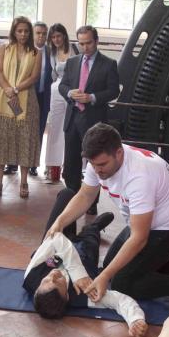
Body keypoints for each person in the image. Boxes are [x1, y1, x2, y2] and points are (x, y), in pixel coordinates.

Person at [46, 123, 169, 304]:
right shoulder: (101, 159)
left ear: (119, 153)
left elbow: (139, 238)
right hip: (145, 224)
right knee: (112, 264)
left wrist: (105, 276)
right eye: (93, 165)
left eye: (102, 164)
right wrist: (60, 222)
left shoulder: (139, 176)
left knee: (122, 283)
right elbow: (86, 195)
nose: (97, 170)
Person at [25, 188, 148, 337]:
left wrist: (78, 274)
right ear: (67, 296)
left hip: (55, 246)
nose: (53, 275)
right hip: (85, 254)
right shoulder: (84, 296)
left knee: (66, 194)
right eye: (58, 281)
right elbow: (119, 301)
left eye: (46, 280)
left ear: (38, 288)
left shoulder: (31, 276)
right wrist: (135, 320)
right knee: (90, 236)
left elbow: (56, 238)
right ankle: (95, 226)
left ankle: (81, 227)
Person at [58, 25, 120, 215]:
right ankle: (74, 201)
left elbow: (113, 91)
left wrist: (92, 97)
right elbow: (62, 86)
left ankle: (91, 204)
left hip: (94, 122)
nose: (85, 47)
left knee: (95, 165)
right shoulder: (72, 62)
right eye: (81, 43)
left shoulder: (109, 64)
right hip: (73, 119)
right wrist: (70, 92)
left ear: (96, 41)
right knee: (70, 166)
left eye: (89, 43)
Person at [0, 16, 41, 199]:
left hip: (26, 100)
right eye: (19, 31)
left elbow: (34, 77)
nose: (23, 34)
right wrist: (7, 88)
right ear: (13, 32)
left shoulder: (36, 52)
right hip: (3, 99)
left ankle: (23, 181)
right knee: (2, 139)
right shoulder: (4, 47)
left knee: (25, 139)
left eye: (26, 31)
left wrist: (16, 88)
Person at [43, 23, 78, 183]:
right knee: (55, 127)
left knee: (71, 127)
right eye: (53, 37)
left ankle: (71, 166)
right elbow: (52, 74)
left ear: (64, 35)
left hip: (73, 90)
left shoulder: (75, 48)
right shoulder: (51, 52)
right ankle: (52, 167)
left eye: (58, 36)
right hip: (57, 89)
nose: (56, 39)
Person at [30, 21, 52, 177]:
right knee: (22, 129)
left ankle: (33, 164)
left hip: (44, 96)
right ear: (33, 34)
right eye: (38, 33)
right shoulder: (25, 50)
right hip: (27, 96)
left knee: (38, 130)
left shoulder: (51, 52)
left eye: (44, 33)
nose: (41, 36)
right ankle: (12, 164)